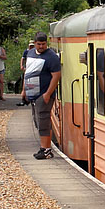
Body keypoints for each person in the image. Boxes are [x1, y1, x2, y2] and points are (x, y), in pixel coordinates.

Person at [22, 31, 61, 159]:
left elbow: (56, 76)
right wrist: (24, 90)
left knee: (43, 120)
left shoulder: (52, 57)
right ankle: (43, 147)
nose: (41, 47)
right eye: (39, 44)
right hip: (32, 93)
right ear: (35, 43)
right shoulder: (31, 53)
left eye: (43, 44)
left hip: (43, 93)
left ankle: (46, 150)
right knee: (37, 120)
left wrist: (48, 93)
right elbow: (27, 72)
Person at [16, 40, 36, 105]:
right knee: (25, 84)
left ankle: (32, 99)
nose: (31, 47)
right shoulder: (26, 51)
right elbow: (22, 58)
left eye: (33, 46)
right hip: (28, 68)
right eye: (31, 46)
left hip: (34, 69)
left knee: (33, 84)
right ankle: (23, 99)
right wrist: (22, 66)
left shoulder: (36, 51)